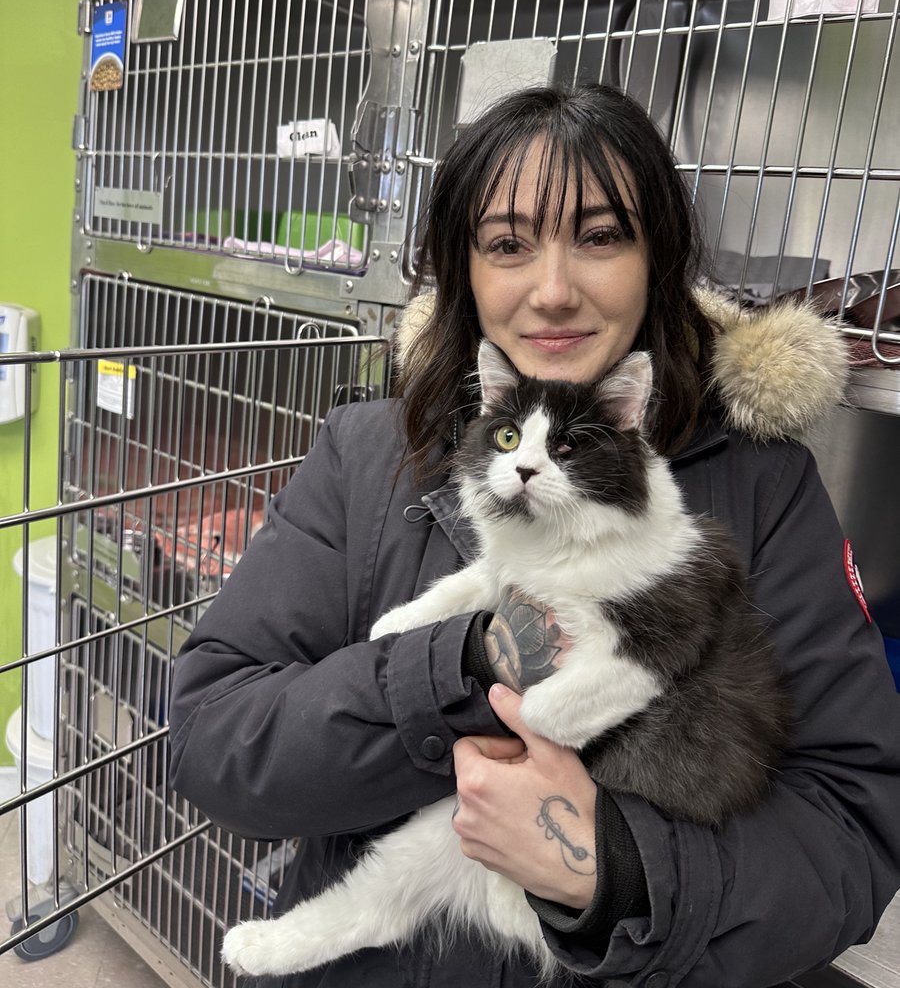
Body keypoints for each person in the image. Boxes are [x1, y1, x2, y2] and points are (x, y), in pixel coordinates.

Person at [168, 84, 900, 987]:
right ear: (463, 270)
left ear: (657, 257)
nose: (553, 293)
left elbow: (851, 833)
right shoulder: (368, 454)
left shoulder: (762, 482)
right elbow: (215, 741)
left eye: (600, 237)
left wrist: (617, 869)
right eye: (508, 244)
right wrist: (463, 668)